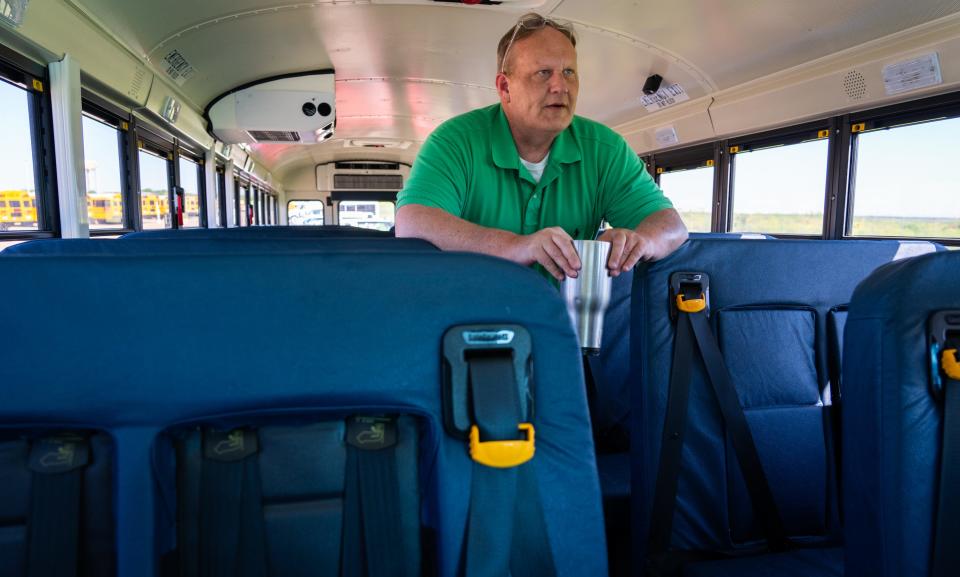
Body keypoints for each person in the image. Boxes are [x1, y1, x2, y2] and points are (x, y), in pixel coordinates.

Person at [395, 12, 687, 281]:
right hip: (467, 322)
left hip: (564, 324)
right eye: (543, 73)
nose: (561, 86)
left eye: (569, 72)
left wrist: (640, 241)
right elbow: (413, 223)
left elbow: (671, 226)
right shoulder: (455, 141)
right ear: (505, 88)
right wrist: (517, 247)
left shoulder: (605, 149)